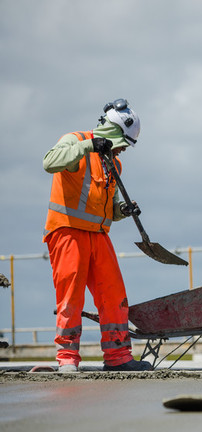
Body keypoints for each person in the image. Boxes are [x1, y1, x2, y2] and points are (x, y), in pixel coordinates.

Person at [42, 99, 153, 372]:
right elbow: (49, 162)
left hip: (98, 235)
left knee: (114, 296)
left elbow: (108, 208)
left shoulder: (113, 164)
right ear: (113, 133)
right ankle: (67, 359)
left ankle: (118, 358)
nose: (125, 149)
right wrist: (89, 146)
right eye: (124, 142)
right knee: (71, 298)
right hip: (67, 231)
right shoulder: (75, 141)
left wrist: (122, 210)